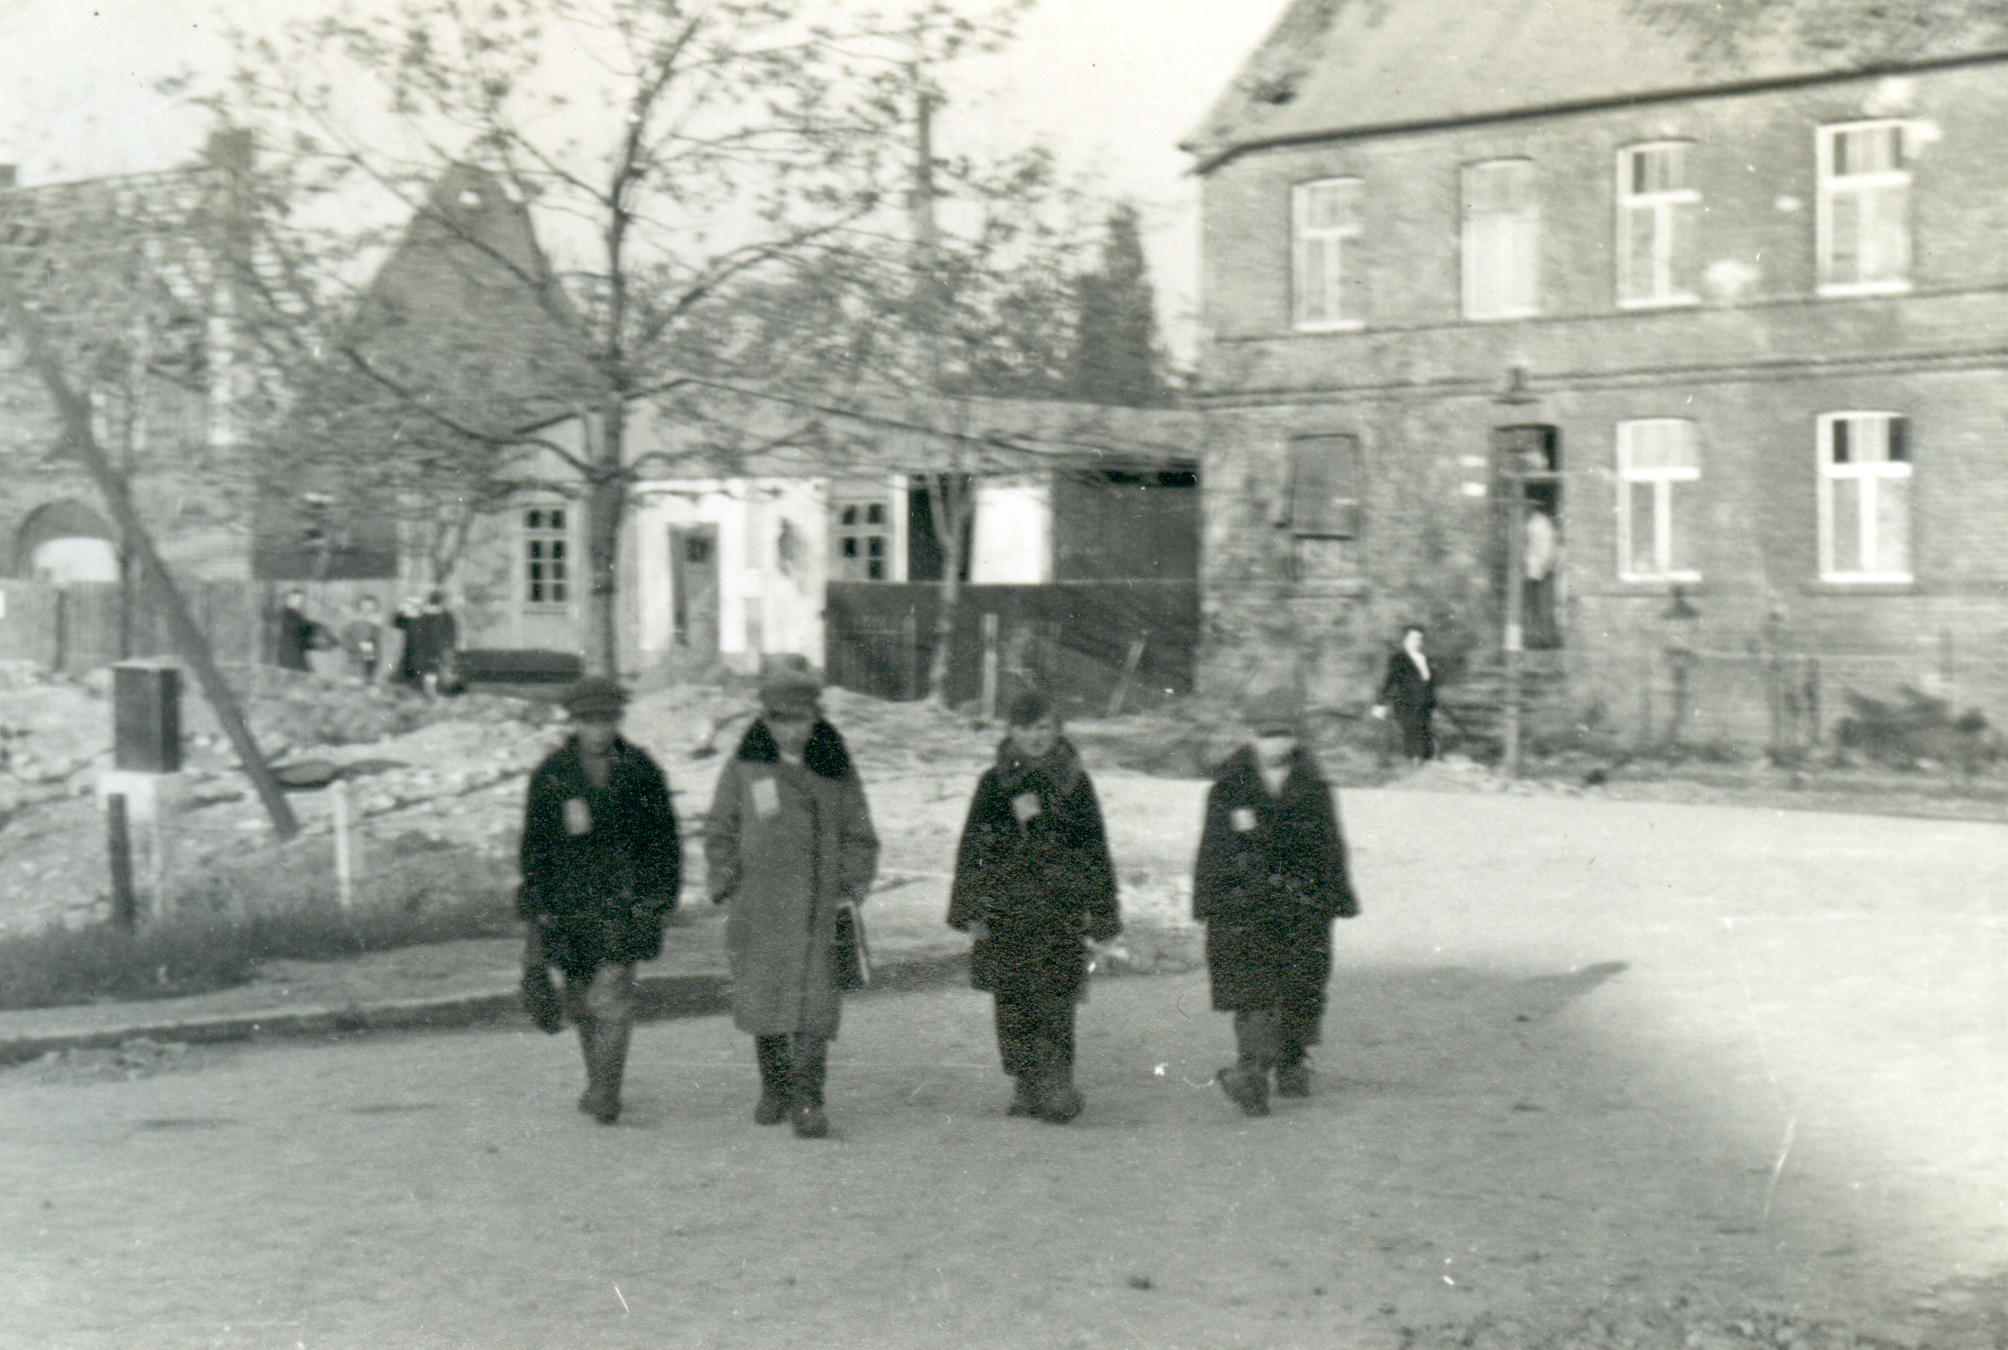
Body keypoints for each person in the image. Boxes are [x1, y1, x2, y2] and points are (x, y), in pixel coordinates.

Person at [706, 666, 879, 1139]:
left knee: (813, 1006)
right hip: (760, 907)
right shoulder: (745, 767)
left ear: (815, 717)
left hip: (818, 909)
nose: (791, 730)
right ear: (765, 720)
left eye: (800, 718)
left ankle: (808, 1098)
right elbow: (720, 828)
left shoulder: (835, 768)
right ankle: (774, 1087)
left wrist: (851, 883)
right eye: (780, 720)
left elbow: (860, 833)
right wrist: (726, 879)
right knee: (765, 999)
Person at [947, 690, 1121, 1124]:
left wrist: (1103, 911)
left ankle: (1056, 1082)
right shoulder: (993, 784)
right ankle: (1026, 1082)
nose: (1035, 737)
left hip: (1060, 912)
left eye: (1043, 727)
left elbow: (1095, 849)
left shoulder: (1076, 783)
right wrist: (971, 906)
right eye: (1025, 729)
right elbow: (973, 847)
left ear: (1058, 730)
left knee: (1057, 999)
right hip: (1007, 912)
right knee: (1012, 1001)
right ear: (1011, 731)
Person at [518, 676, 682, 1125]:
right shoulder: (552, 774)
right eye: (588, 720)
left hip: (624, 904)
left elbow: (664, 840)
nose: (598, 729)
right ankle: (598, 1081)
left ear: (618, 719)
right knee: (581, 1001)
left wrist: (658, 897)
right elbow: (535, 847)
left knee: (612, 998)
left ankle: (606, 1090)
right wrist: (537, 903)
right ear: (574, 722)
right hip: (569, 906)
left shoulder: (641, 770)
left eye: (606, 719)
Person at [1192, 688, 1359, 1117]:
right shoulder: (1228, 788)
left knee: (1300, 986)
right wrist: (1207, 898)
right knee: (1252, 991)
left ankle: (1292, 1059)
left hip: (1301, 906)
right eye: (1266, 735)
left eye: (1283, 734)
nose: (1275, 743)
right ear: (1251, 735)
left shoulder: (1314, 788)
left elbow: (1331, 846)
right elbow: (1212, 848)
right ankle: (1251, 1070)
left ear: (1297, 736)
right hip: (1244, 907)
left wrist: (1336, 895)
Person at [1372, 625, 1437, 762]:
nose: (1417, 642)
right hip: (1406, 705)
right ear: (1405, 640)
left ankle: (1423, 766)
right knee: (1414, 736)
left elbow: (1429, 684)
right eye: (1413, 638)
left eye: (1419, 639)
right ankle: (1416, 765)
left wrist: (1432, 703)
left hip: (1424, 705)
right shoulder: (1398, 659)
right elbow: (1389, 682)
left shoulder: (1425, 659)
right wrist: (1380, 704)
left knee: (1425, 738)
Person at [340, 595, 385, 683]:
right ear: (361, 605)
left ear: (375, 607)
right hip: (354, 645)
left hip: (369, 645)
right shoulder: (354, 618)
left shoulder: (376, 619)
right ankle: (354, 677)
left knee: (368, 663)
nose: (367, 607)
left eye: (370, 605)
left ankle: (367, 678)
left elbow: (376, 635)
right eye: (365, 605)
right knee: (354, 662)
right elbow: (346, 633)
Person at [274, 589, 318, 672]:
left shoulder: (294, 614)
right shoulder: (288, 614)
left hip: (293, 651)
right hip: (291, 652)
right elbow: (300, 630)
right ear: (289, 600)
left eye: (300, 600)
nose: (298, 603)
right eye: (296, 600)